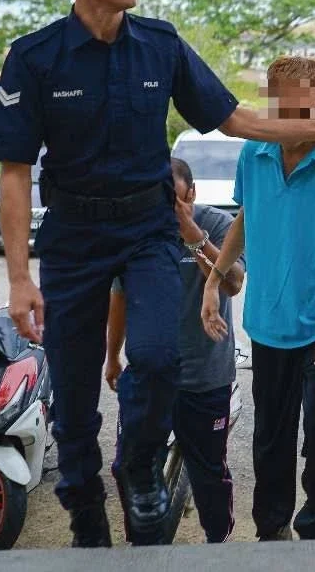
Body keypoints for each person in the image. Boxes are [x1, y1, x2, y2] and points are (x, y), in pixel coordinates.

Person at [0, 0, 315, 548]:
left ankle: (138, 463)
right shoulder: (35, 58)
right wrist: (20, 276)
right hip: (74, 241)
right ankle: (86, 520)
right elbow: (15, 173)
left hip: (148, 229)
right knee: (74, 400)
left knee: (160, 359)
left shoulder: (161, 45)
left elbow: (235, 118)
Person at [200, 56, 315, 541]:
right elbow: (247, 215)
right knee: (270, 435)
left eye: (303, 110)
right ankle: (271, 529)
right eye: (282, 110)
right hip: (268, 321)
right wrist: (216, 277)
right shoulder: (255, 152)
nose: (291, 121)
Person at [105, 153, 244, 544]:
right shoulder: (136, 231)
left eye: (176, 201)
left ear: (192, 193)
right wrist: (112, 355)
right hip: (149, 376)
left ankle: (218, 543)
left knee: (209, 476)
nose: (165, 211)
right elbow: (119, 296)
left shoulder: (217, 223)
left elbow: (233, 283)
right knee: (127, 465)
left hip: (204, 378)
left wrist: (191, 233)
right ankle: (142, 543)